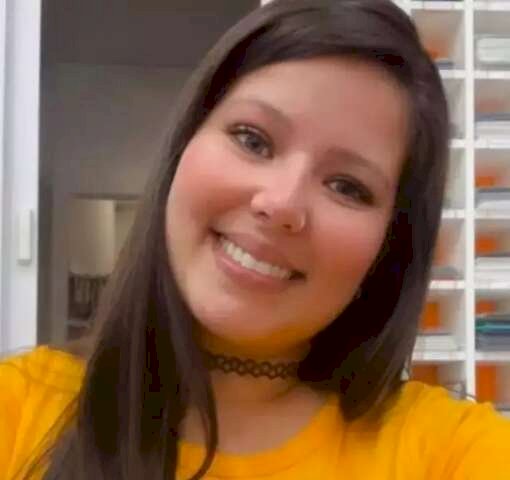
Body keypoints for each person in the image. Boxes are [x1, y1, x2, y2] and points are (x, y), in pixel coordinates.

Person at [1, 0, 509, 478]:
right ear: (185, 143)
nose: (281, 203)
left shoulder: (450, 453)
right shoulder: (19, 408)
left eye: (347, 187)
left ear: (390, 245)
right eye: (253, 139)